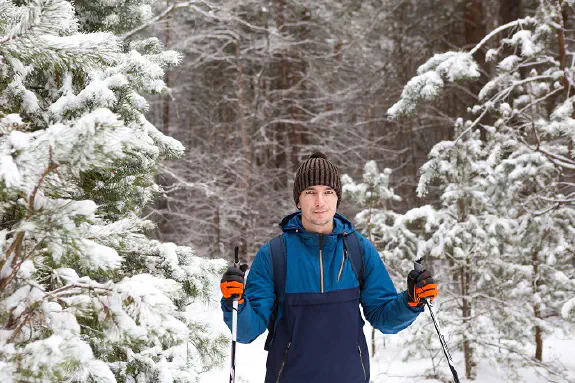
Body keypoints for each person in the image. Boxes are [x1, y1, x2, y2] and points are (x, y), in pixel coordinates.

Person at [220, 151, 438, 383]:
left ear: (337, 198)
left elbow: (383, 317)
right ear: (298, 200)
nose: (320, 201)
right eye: (310, 192)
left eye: (328, 192)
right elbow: (246, 331)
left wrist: (411, 301)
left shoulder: (359, 250)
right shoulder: (274, 255)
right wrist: (236, 302)